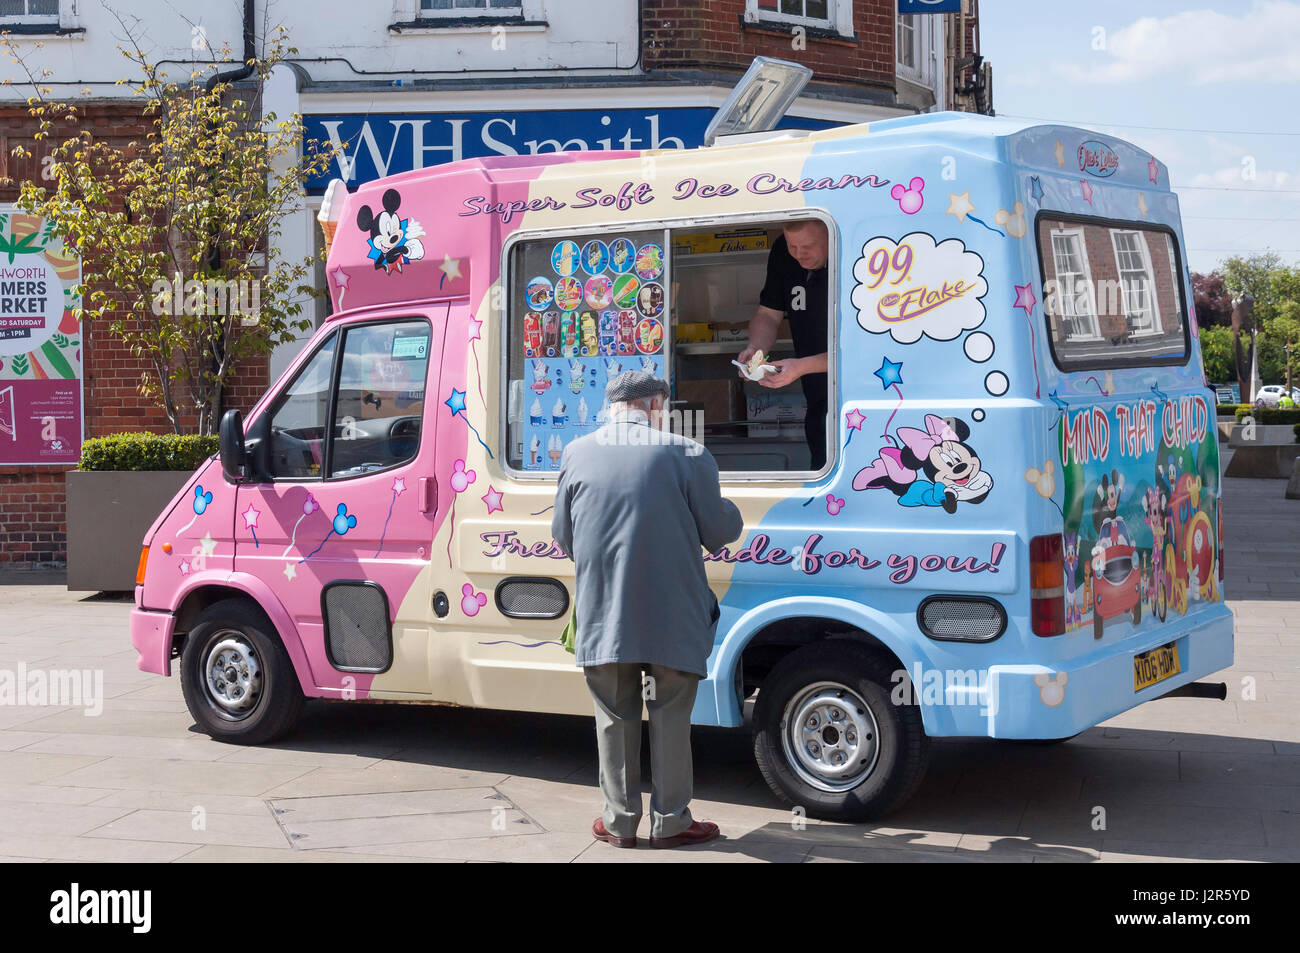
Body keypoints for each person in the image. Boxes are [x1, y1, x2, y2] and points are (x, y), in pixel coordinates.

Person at [552, 370, 744, 849]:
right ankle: (672, 822)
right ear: (657, 406)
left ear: (612, 407)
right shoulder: (688, 453)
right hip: (672, 617)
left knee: (613, 717)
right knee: (671, 715)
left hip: (605, 615)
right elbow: (719, 533)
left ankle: (618, 824)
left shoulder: (576, 452)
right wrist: (734, 511)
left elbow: (563, 536)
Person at [737, 219, 830, 469]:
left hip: (862, 395)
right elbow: (768, 314)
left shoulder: (858, 253)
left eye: (808, 246)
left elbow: (867, 348)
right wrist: (756, 350)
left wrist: (802, 366)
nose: (799, 254)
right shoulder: (783, 252)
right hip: (817, 398)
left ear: (831, 236)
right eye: (793, 246)